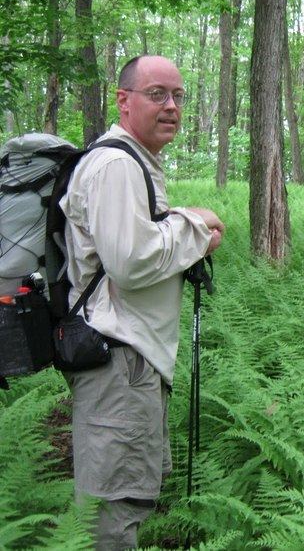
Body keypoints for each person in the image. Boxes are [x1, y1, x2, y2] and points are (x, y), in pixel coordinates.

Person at [60, 55, 225, 549]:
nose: (171, 105)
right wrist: (196, 225)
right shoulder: (116, 164)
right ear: (124, 100)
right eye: (157, 94)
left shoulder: (133, 162)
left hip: (130, 361)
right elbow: (130, 263)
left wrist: (180, 224)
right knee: (112, 514)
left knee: (127, 498)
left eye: (178, 96)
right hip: (120, 361)